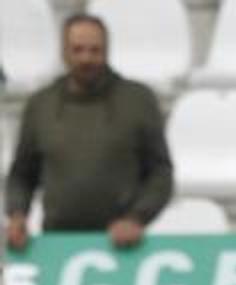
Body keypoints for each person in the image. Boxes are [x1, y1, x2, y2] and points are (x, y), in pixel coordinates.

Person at [4, 13, 172, 251]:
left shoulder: (138, 101)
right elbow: (22, 174)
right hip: (56, 244)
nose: (86, 58)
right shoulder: (41, 105)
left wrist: (137, 218)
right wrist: (17, 214)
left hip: (124, 247)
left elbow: (160, 173)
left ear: (107, 51)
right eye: (78, 50)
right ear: (64, 52)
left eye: (95, 50)